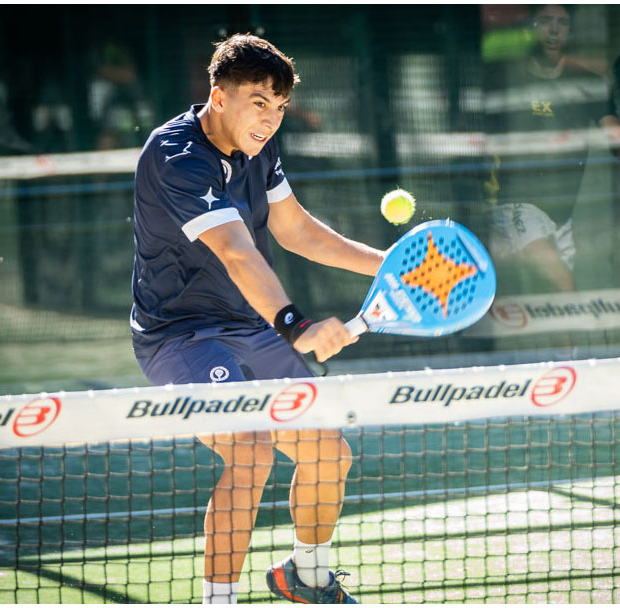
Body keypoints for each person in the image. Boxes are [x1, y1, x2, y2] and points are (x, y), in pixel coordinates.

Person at [130, 34, 385, 604]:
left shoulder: (259, 149)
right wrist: (297, 325)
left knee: (328, 453)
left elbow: (297, 231)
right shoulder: (176, 156)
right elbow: (237, 252)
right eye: (258, 102)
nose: (270, 119)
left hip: (249, 326)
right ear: (219, 96)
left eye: (280, 107)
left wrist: (390, 265)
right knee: (250, 450)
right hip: (179, 336)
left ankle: (306, 576)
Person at [485, 4, 620, 294]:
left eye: (562, 22)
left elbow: (615, 136)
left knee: (561, 304)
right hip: (516, 207)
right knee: (564, 285)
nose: (554, 29)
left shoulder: (589, 84)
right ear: (531, 27)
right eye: (545, 20)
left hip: (561, 218)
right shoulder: (505, 78)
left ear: (571, 31)